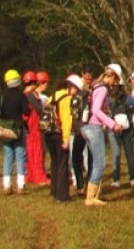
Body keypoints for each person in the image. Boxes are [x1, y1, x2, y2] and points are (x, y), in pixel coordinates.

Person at [81, 64, 124, 206]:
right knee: (100, 162)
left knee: (94, 161)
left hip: (85, 127)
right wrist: (113, 124)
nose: (115, 83)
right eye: (115, 80)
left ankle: (93, 193)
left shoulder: (95, 86)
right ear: (111, 76)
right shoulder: (103, 89)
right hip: (94, 127)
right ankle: (91, 197)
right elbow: (96, 110)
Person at [48, 75, 84, 203]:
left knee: (54, 162)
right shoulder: (67, 99)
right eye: (77, 90)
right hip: (59, 134)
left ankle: (54, 190)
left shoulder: (53, 95)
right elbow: (67, 121)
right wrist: (66, 140)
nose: (77, 93)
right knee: (63, 163)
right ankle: (62, 196)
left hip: (48, 133)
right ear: (71, 87)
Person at [0, 69, 30, 195]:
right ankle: (21, 185)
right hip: (18, 128)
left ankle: (6, 185)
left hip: (5, 128)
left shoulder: (3, 96)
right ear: (18, 81)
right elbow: (27, 112)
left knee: (8, 156)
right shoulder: (21, 96)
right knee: (20, 155)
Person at [108, 73, 134, 188]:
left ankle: (116, 179)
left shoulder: (109, 99)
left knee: (116, 155)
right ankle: (133, 178)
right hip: (127, 129)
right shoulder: (127, 98)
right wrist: (130, 112)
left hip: (113, 129)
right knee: (129, 154)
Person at [70, 67, 94, 195]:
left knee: (77, 157)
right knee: (88, 157)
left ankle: (82, 185)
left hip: (81, 130)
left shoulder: (77, 97)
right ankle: (87, 183)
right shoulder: (92, 93)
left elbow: (74, 115)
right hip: (90, 128)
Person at [23, 71, 48, 186]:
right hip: (34, 126)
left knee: (34, 150)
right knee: (36, 150)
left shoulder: (27, 95)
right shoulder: (29, 95)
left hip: (33, 125)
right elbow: (39, 109)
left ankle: (33, 174)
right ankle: (38, 176)